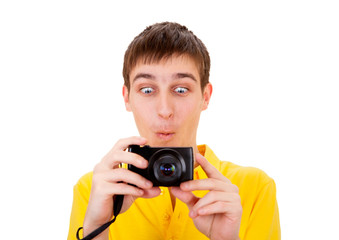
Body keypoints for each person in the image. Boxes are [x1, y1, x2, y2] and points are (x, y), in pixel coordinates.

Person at [68, 22, 280, 240]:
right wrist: (97, 226)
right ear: (127, 97)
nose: (165, 110)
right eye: (147, 90)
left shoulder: (254, 188)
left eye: (181, 89)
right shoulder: (95, 190)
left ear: (205, 97)